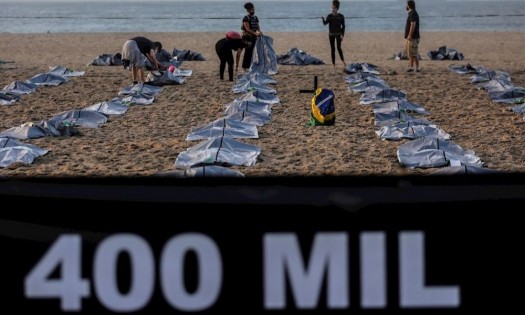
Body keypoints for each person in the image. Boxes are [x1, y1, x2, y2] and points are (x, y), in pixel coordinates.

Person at [322, 0, 346, 68]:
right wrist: (323, 19)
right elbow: (325, 23)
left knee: (338, 47)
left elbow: (343, 26)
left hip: (338, 34)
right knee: (332, 49)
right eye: (332, 8)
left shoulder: (341, 16)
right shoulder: (329, 16)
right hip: (331, 34)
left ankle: (343, 61)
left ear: (337, 8)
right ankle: (333, 64)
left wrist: (342, 34)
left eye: (334, 8)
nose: (333, 9)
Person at [240, 2, 261, 72]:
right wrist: (255, 33)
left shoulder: (255, 17)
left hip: (255, 36)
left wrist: (259, 32)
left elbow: (258, 27)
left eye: (253, 9)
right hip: (248, 37)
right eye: (252, 10)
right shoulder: (246, 18)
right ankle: (245, 67)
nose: (253, 11)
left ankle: (251, 65)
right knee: (248, 51)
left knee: (254, 51)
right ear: (248, 10)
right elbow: (247, 29)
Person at [404, 0, 420, 72]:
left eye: (406, 4)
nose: (406, 6)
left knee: (414, 53)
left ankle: (417, 67)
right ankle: (411, 67)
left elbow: (413, 24)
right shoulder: (412, 13)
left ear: (409, 5)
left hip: (413, 37)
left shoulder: (412, 13)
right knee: (411, 53)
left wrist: (410, 35)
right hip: (413, 37)